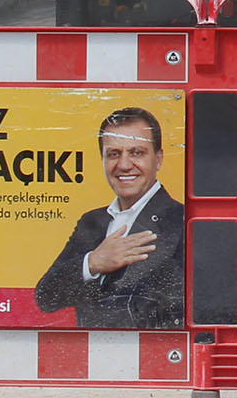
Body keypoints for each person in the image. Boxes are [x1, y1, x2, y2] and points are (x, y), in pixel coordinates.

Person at [33, 107, 186, 328]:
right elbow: (46, 297)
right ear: (103, 159)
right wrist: (94, 262)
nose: (124, 165)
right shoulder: (92, 221)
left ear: (159, 159)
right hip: (89, 355)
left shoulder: (182, 221)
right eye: (114, 154)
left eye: (137, 153)